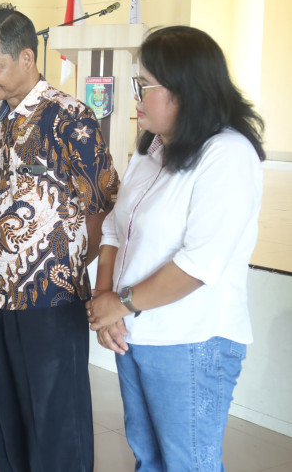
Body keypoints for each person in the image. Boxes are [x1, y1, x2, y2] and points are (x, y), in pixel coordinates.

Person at [87, 26, 265, 471]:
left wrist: (119, 303)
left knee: (188, 464)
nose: (136, 97)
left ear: (184, 90)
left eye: (144, 85)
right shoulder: (152, 149)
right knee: (148, 458)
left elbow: (198, 263)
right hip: (135, 332)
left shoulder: (227, 154)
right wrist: (104, 299)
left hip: (191, 340)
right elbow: (114, 228)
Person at [0, 5, 119, 472]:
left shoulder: (68, 117)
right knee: (7, 417)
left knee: (56, 420)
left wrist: (66, 266)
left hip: (51, 298)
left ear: (27, 58)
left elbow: (103, 205)